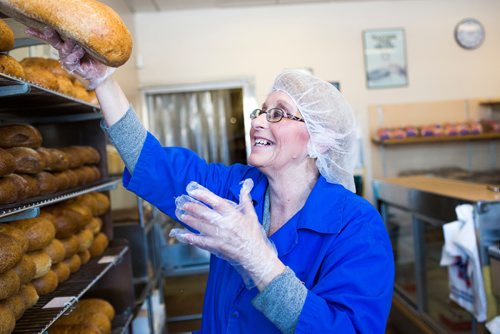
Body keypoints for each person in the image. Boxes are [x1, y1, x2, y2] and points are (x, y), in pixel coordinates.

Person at [28, 26, 395, 334]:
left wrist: (262, 264)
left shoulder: (356, 227)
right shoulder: (236, 187)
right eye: (261, 111)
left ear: (320, 140)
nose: (258, 122)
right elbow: (153, 163)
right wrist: (103, 81)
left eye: (278, 114)